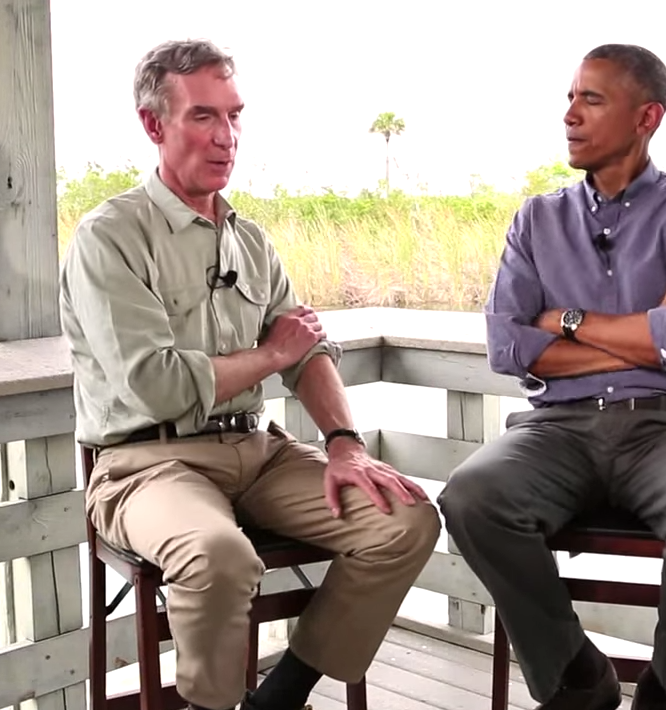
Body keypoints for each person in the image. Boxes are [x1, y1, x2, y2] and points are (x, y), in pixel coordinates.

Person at [59, 38, 441, 710]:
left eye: (234, 116)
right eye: (203, 117)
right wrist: (269, 356)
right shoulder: (110, 237)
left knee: (405, 519)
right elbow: (156, 385)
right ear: (154, 125)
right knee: (220, 557)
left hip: (256, 453)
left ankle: (281, 695)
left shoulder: (252, 241)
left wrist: (345, 443)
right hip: (144, 464)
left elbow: (312, 353)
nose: (226, 136)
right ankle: (213, 705)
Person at [437, 44, 666, 710]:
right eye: (569, 98)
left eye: (591, 99)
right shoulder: (537, 219)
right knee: (471, 497)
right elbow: (507, 346)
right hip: (557, 428)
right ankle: (575, 675)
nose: (570, 114)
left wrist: (566, 321)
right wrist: (650, 334)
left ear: (647, 116)